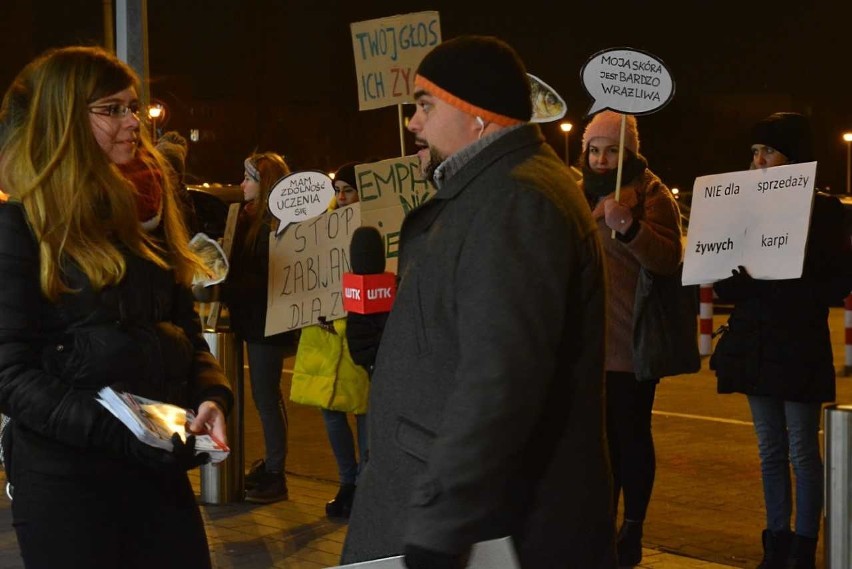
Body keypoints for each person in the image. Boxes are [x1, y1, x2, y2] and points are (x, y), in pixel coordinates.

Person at [341, 35, 615, 569]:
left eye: (425, 106)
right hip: (460, 511)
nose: (412, 123)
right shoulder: (492, 193)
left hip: (493, 531)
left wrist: (442, 522)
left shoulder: (518, 202)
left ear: (478, 118)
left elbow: (501, 376)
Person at [0, 45, 233, 568]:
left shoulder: (145, 215)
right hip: (69, 486)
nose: (134, 122)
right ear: (63, 122)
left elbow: (182, 331)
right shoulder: (21, 228)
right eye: (112, 110)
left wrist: (212, 394)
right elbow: (9, 374)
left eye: (133, 106)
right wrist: (123, 431)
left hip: (157, 475)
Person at [711, 112, 852, 569]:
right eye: (753, 152)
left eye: (767, 151)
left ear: (793, 159)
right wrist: (735, 283)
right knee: (769, 449)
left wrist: (776, 283)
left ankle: (804, 547)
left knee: (801, 450)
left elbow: (836, 282)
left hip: (798, 345)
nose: (757, 161)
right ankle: (776, 542)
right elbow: (726, 279)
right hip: (755, 343)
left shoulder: (825, 210)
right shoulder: (742, 208)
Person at [578, 110, 683, 567]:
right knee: (593, 444)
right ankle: (600, 525)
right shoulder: (575, 192)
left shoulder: (652, 194)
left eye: (612, 149)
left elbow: (667, 259)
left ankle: (632, 529)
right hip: (583, 350)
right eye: (594, 149)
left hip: (629, 346)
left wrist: (630, 227)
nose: (601, 159)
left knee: (630, 440)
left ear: (630, 151)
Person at [290, 161, 371, 519]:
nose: (341, 197)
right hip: (326, 334)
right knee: (331, 412)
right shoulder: (321, 228)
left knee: (365, 412)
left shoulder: (375, 230)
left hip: (361, 335)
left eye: (348, 190)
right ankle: (348, 482)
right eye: (338, 190)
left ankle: (368, 486)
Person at [220, 151, 293, 503]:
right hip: (252, 319)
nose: (241, 184)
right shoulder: (249, 219)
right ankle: (271, 466)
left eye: (248, 178)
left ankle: (276, 474)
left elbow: (263, 279)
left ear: (263, 184)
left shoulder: (275, 226)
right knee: (261, 396)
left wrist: (227, 283)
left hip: (268, 323)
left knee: (266, 397)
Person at [156, 130, 200, 236]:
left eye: (166, 172)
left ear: (178, 176)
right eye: (156, 169)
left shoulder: (183, 204)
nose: (159, 176)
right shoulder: (151, 199)